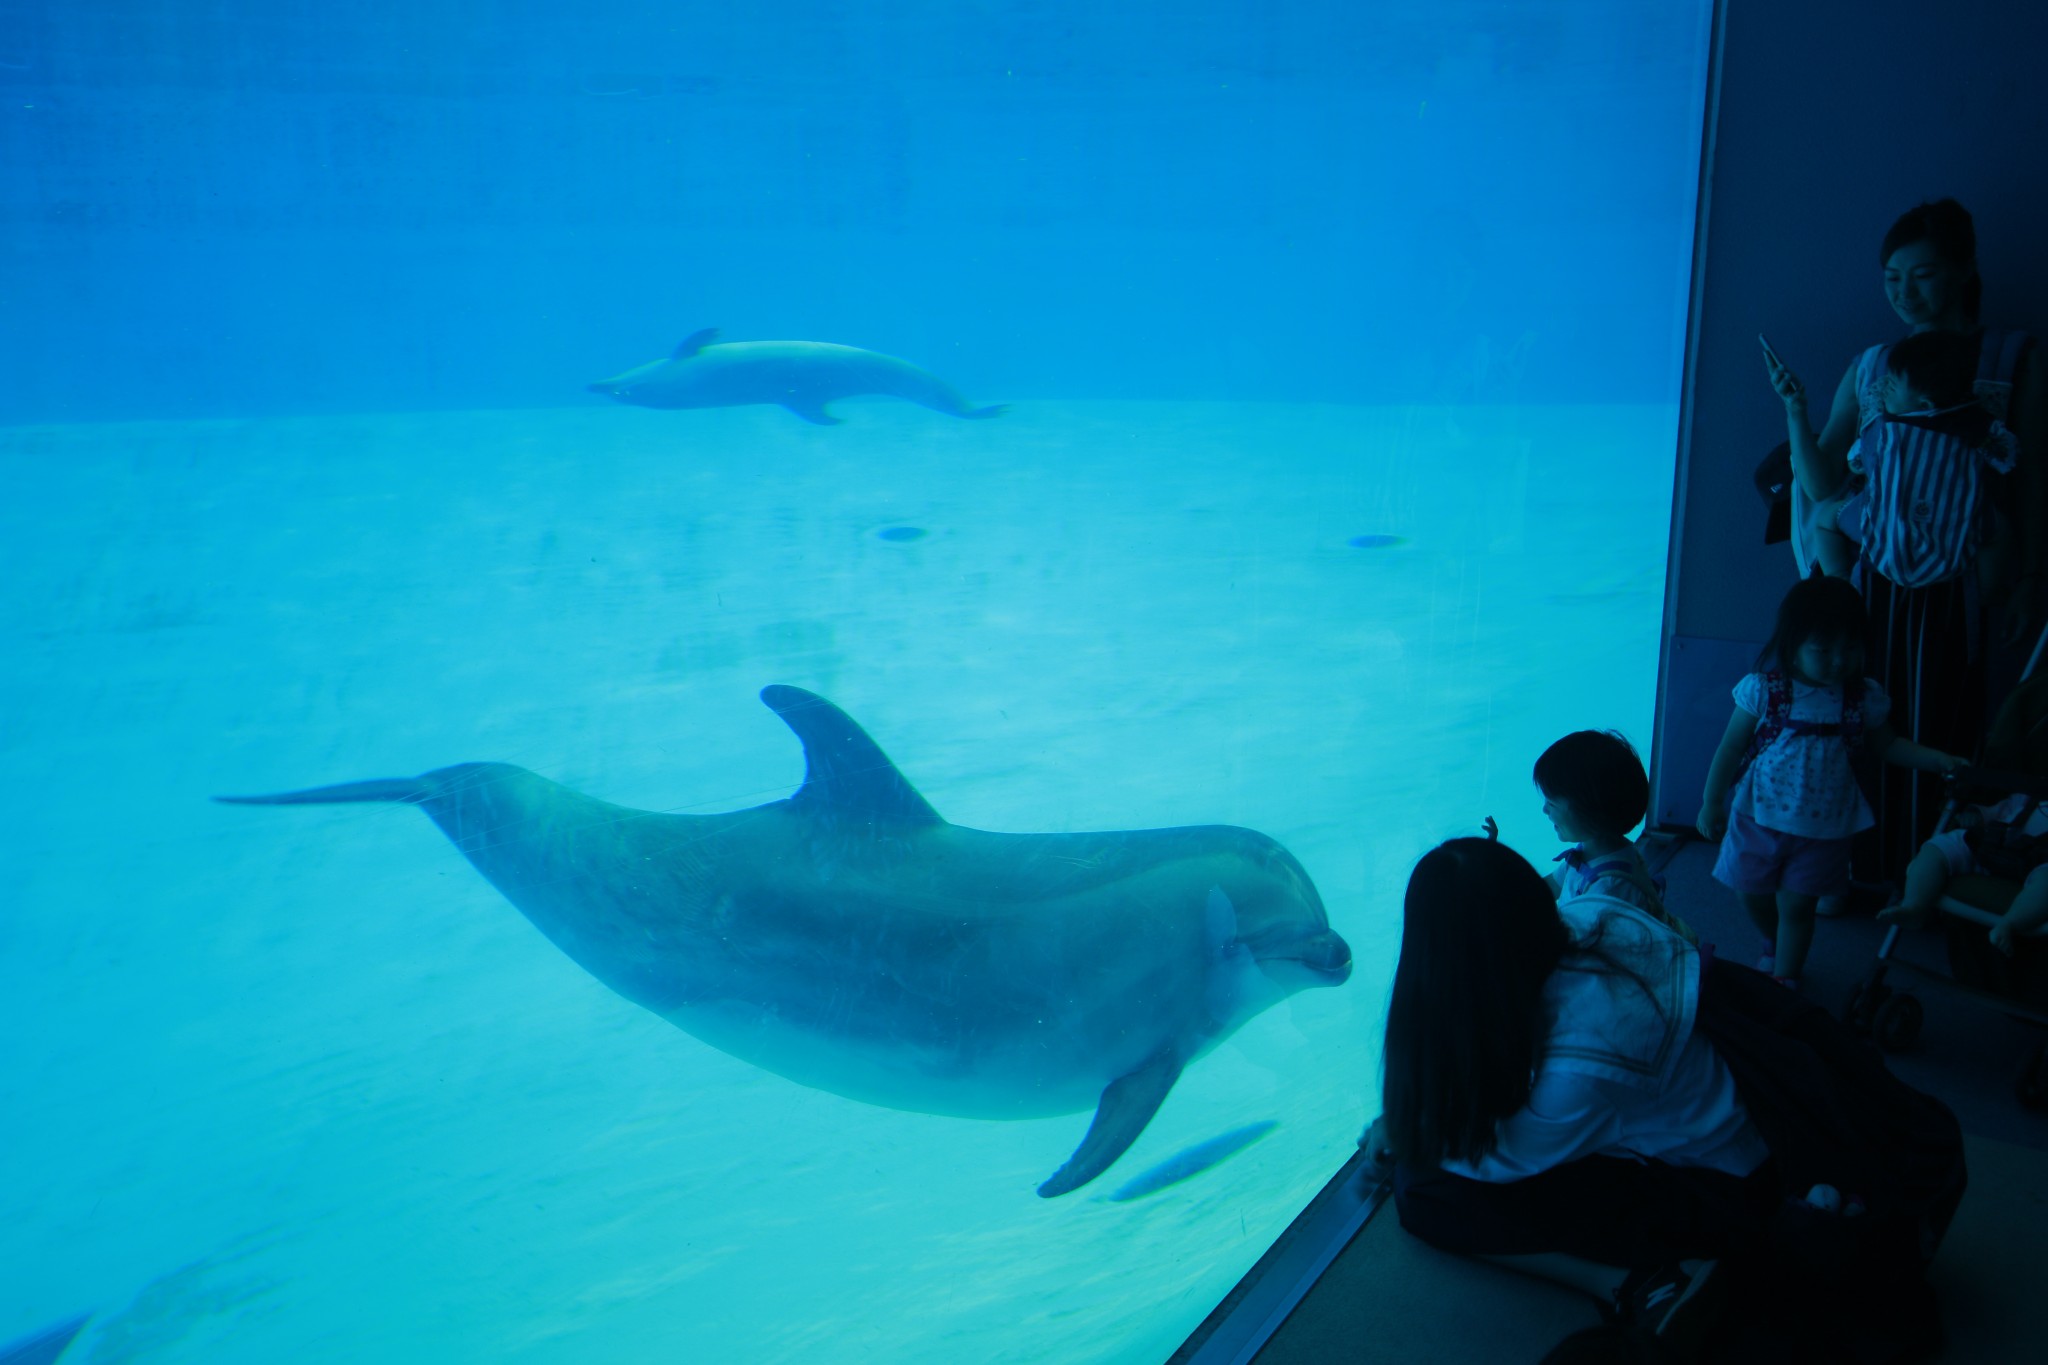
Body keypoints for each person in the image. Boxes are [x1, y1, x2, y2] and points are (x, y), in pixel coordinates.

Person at [1360, 837, 1772, 1342]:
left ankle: (1634, 1280)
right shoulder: (1595, 912)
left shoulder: (1586, 1066)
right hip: (1748, 1108)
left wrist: (1409, 1130)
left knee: (1426, 1190)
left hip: (1729, 1189)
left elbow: (1497, 1158)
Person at [1776, 199, 2045, 890]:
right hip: (1873, 582)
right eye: (1892, 278)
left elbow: (2033, 478)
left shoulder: (2014, 356)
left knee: (1947, 718)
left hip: (1964, 583)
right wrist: (1796, 412)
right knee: (1855, 711)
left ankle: (1929, 872)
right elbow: (1825, 479)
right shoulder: (1872, 366)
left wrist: (2031, 576)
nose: (1904, 293)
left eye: (1922, 275)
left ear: (1964, 270)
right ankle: (1849, 867)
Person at [1696, 572, 1964, 989]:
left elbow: (1889, 745)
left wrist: (1937, 760)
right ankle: (1772, 941)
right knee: (1749, 891)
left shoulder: (1862, 697)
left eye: (1850, 648)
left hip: (1825, 829)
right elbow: (1731, 747)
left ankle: (1785, 977)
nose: (1839, 661)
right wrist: (1712, 801)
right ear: (1793, 646)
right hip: (1757, 817)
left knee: (1799, 908)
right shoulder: (1765, 691)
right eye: (1824, 650)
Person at [1772, 327, 2017, 583]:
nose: (1883, 388)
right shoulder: (1971, 421)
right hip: (1951, 544)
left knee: (1825, 521)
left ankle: (1839, 580)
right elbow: (2006, 455)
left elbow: (1858, 461)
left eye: (1892, 385)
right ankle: (1991, 591)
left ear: (1925, 404)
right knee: (1999, 530)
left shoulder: (1889, 430)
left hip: (1885, 541)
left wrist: (1857, 460)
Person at [1533, 729, 1697, 944]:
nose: (1545, 810)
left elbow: (1578, 946)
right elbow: (1550, 886)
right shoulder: (1591, 850)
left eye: (1552, 803)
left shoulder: (1609, 888)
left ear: (1591, 811)